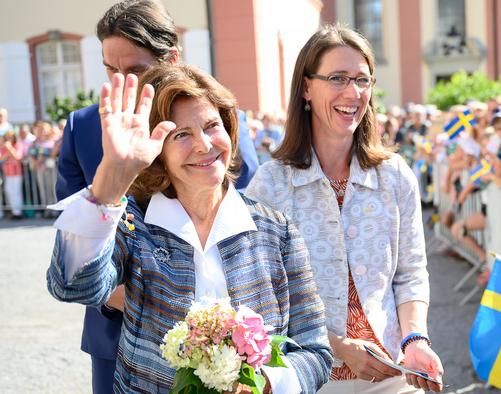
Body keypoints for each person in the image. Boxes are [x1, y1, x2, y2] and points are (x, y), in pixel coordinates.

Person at [47, 65, 332, 393]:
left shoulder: (276, 230)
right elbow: (71, 286)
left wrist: (266, 382)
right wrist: (107, 185)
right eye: (181, 134)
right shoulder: (133, 225)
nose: (203, 145)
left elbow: (315, 351)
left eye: (212, 126)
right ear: (158, 153)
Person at [54, 1, 259, 391]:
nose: (121, 84)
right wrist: (134, 302)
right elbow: (71, 237)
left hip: (217, 336)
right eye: (111, 70)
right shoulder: (83, 126)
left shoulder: (221, 118)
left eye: (135, 71)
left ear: (172, 58)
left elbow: (249, 219)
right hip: (115, 332)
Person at [246, 25, 444, 393]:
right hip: (310, 375)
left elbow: (411, 272)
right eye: (337, 78)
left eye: (362, 80)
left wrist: (415, 339)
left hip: (393, 372)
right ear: (306, 87)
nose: (353, 93)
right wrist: (337, 347)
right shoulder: (271, 185)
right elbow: (263, 297)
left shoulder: (394, 175)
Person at [1, 130, 24, 219]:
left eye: (10, 137)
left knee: (16, 192)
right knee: (8, 191)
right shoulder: (4, 147)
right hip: (8, 173)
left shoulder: (17, 145)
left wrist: (10, 148)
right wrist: (7, 149)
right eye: (7, 137)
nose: (8, 139)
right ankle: (13, 210)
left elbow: (18, 157)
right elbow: (2, 158)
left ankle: (17, 212)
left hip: (17, 172)